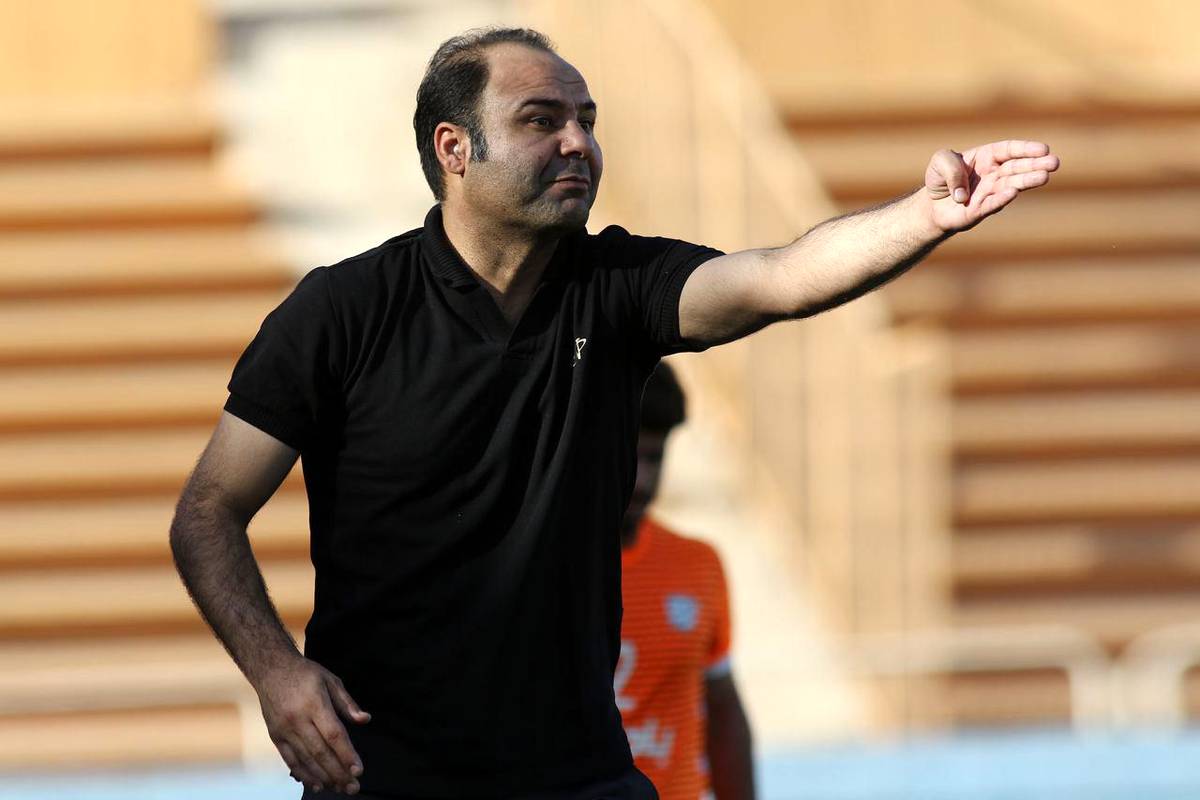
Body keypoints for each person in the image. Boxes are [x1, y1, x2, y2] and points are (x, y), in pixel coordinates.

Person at [168, 25, 1058, 800]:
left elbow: (782, 277)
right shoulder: (342, 312)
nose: (578, 143)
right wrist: (275, 673)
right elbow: (208, 512)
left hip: (580, 776)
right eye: (541, 120)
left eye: (587, 120)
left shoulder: (618, 287)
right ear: (454, 147)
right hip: (381, 777)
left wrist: (924, 216)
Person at [617, 364, 755, 800]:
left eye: (654, 458)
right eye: (630, 457)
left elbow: (722, 708)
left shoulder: (697, 565)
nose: (642, 480)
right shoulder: (544, 567)